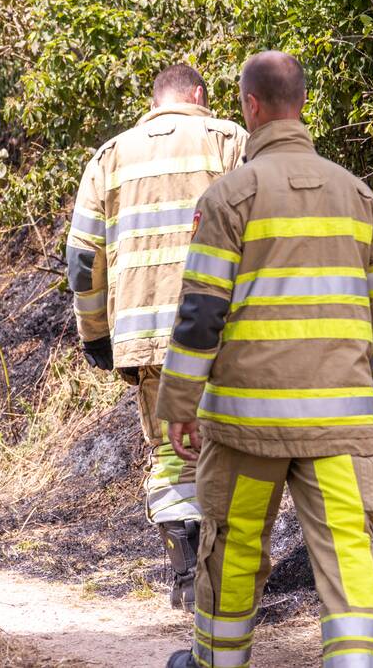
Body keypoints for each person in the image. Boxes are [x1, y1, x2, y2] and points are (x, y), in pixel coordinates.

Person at [157, 50, 373, 668]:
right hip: (338, 426)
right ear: (301, 104)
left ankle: (218, 663)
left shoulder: (229, 198)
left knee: (234, 549)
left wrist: (179, 405)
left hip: (249, 428)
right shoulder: (360, 198)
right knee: (350, 557)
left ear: (250, 107)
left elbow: (200, 317)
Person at [65, 63, 248, 612]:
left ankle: (188, 577)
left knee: (172, 449)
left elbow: (81, 260)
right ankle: (229, 574)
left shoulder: (110, 156)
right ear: (198, 95)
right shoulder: (228, 140)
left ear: (153, 102)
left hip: (145, 336)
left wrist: (96, 333)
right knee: (233, 445)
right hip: (224, 327)